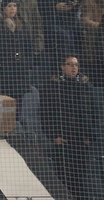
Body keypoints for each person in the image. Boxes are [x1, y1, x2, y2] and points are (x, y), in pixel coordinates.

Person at [40, 54, 96, 200]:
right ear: (62, 67)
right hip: (62, 140)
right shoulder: (53, 86)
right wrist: (53, 136)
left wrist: (90, 137)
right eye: (70, 64)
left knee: (79, 178)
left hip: (81, 141)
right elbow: (46, 114)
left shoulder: (86, 87)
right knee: (62, 177)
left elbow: (93, 113)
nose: (74, 67)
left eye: (76, 64)